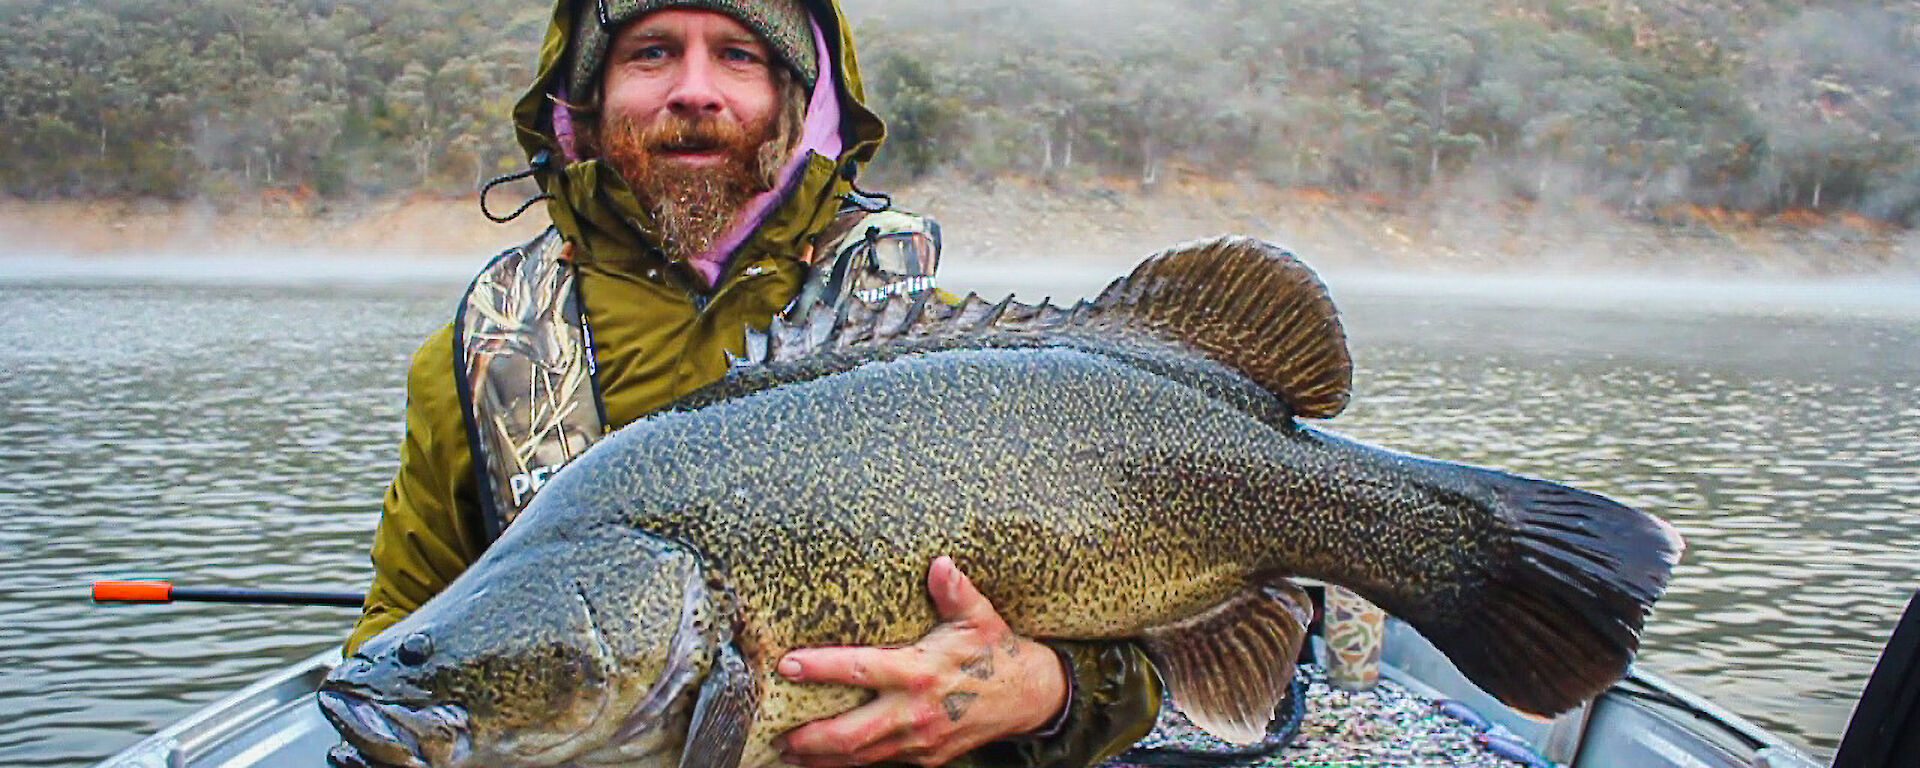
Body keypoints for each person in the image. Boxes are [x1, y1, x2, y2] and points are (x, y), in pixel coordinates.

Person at [342, 1, 1162, 766]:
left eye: (737, 54)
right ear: (585, 100)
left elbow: (1150, 665)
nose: (694, 91)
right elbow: (395, 645)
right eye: (651, 53)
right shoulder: (477, 366)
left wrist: (1044, 694)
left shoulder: (942, 358)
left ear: (800, 97)